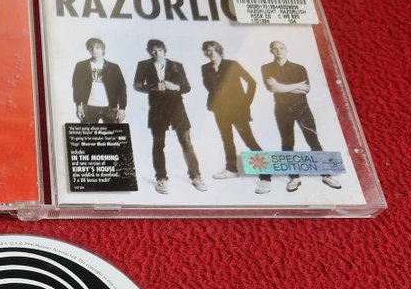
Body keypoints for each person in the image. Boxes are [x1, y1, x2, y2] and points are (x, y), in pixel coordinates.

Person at [261, 41, 341, 192]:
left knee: (313, 140)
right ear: (271, 51)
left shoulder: (299, 68)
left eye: (281, 48)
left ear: (286, 49)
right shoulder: (266, 68)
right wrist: (295, 85)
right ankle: (294, 177)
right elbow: (273, 88)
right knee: (287, 142)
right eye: (275, 49)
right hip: (281, 109)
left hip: (302, 107)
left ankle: (326, 175)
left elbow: (305, 89)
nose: (279, 51)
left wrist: (282, 87)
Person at [133, 39, 205, 194]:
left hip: (177, 108)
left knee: (186, 142)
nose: (156, 53)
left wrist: (175, 87)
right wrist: (153, 87)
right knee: (158, 143)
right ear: (149, 52)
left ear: (164, 50)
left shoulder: (176, 65)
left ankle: (196, 177)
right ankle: (161, 178)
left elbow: (186, 87)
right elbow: (137, 85)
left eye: (159, 49)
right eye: (153, 50)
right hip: (157, 109)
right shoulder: (143, 65)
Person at [200, 41, 272, 194]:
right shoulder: (205, 68)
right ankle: (231, 169)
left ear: (219, 50)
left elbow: (251, 82)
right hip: (219, 110)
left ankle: (266, 177)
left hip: (237, 110)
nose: (210, 53)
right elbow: (209, 87)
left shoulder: (232, 64)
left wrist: (245, 102)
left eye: (213, 50)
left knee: (249, 141)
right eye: (207, 51)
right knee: (227, 139)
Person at [72, 38, 127, 124]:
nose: (94, 50)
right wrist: (78, 105)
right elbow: (76, 87)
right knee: (88, 133)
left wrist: (122, 108)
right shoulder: (81, 66)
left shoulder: (113, 67)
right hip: (89, 107)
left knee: (114, 132)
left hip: (110, 107)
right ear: (88, 49)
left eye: (97, 47)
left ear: (103, 49)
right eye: (91, 48)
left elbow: (121, 88)